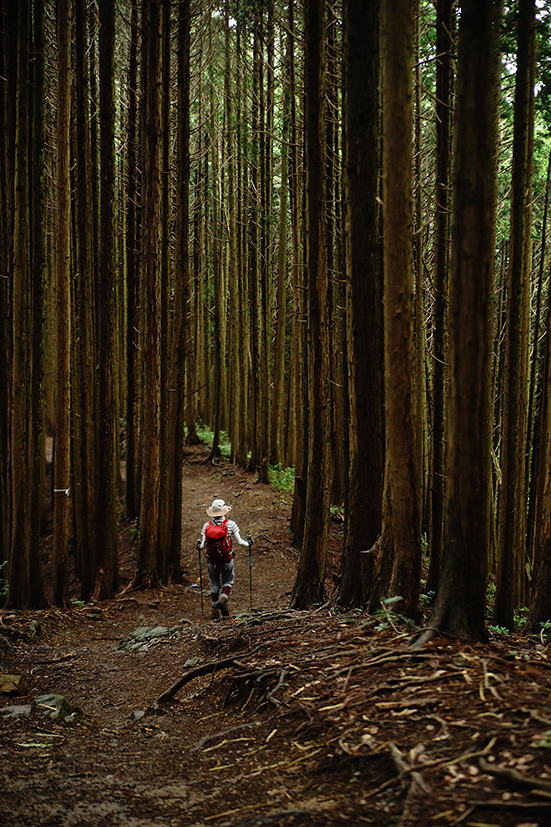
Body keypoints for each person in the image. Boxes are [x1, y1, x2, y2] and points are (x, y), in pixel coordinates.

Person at [199, 498, 251, 619]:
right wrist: (249, 543)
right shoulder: (230, 524)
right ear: (224, 511)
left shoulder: (207, 526)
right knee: (228, 581)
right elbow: (240, 542)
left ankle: (214, 610)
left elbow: (202, 545)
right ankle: (223, 598)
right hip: (227, 560)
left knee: (214, 583)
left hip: (212, 561)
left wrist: (198, 546)